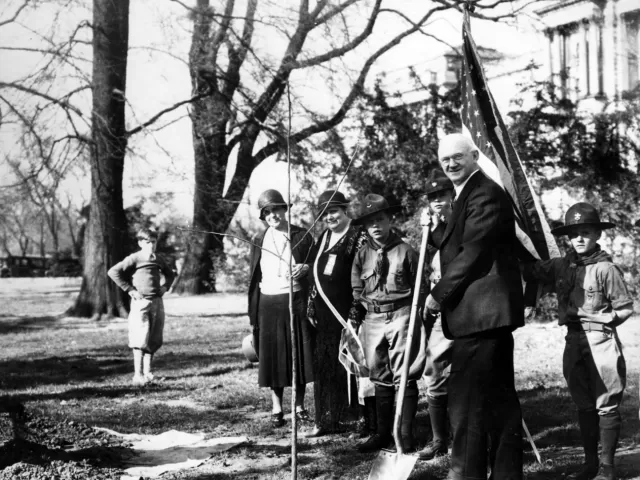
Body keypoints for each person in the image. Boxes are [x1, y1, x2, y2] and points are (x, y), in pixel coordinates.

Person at [424, 133, 524, 479]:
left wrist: (438, 294)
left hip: (482, 318)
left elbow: (473, 253)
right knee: (498, 404)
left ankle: (466, 475)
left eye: (457, 157)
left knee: (468, 406)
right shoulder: (467, 193)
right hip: (483, 318)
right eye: (444, 160)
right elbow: (460, 245)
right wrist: (437, 230)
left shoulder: (484, 193)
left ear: (475, 155)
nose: (450, 164)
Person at [522, 203, 633, 480]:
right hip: (573, 339)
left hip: (600, 339)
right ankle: (590, 464)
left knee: (606, 402)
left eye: (585, 232)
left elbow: (625, 307)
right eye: (574, 234)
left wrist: (606, 322)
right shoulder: (562, 266)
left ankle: (607, 469)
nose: (579, 239)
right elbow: (531, 269)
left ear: (597, 234)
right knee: (583, 404)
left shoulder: (607, 269)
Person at [350, 193, 426, 453]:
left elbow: (420, 288)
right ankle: (383, 433)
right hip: (372, 318)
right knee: (379, 376)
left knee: (405, 374)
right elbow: (356, 286)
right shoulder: (361, 255)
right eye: (370, 222)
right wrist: (362, 309)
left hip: (401, 315)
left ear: (389, 220)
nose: (376, 227)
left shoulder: (406, 251)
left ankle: (404, 434)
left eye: (380, 220)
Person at [247, 189, 315, 428]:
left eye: (276, 209)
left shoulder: (301, 235)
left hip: (295, 299)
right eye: (267, 212)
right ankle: (277, 408)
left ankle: (299, 406)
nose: (273, 215)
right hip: (268, 302)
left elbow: (316, 264)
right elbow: (255, 276)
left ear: (285, 210)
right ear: (263, 216)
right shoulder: (258, 239)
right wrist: (253, 311)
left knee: (298, 353)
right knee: (273, 355)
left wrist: (306, 268)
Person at [306, 190, 369, 438]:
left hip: (349, 313)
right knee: (326, 366)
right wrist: (311, 304)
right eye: (325, 212)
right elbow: (315, 272)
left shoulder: (358, 235)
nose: (329, 217)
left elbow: (366, 273)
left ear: (345, 210)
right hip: (324, 317)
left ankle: (356, 419)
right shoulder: (323, 237)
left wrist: (357, 309)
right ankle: (327, 419)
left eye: (334, 211)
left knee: (352, 366)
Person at [416, 168, 455, 461]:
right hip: (440, 315)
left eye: (442, 194)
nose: (437, 201)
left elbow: (455, 251)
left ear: (452, 194)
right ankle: (440, 439)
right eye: (433, 197)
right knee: (434, 371)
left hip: (465, 311)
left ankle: (471, 438)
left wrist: (434, 233)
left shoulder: (461, 221)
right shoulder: (434, 227)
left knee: (469, 376)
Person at [108, 227, 175, 385]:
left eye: (153, 242)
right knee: (140, 338)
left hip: (157, 302)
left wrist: (165, 287)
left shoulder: (158, 258)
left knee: (153, 337)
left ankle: (148, 372)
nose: (151, 245)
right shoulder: (135, 258)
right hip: (141, 303)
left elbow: (170, 273)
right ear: (140, 243)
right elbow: (113, 272)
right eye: (147, 242)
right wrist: (130, 290)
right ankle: (137, 375)